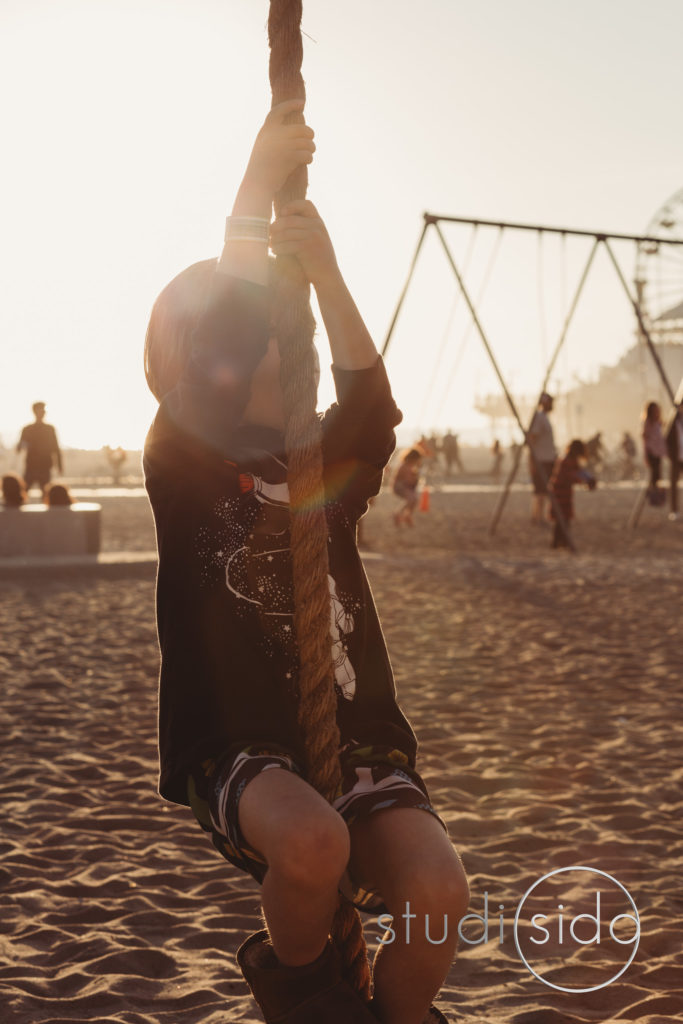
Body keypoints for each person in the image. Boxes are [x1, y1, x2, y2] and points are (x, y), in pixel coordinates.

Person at [143, 100, 468, 1024]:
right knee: (313, 845)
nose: (273, 346)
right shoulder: (186, 469)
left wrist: (323, 275)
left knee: (438, 895)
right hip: (240, 744)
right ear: (192, 368)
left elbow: (372, 409)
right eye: (243, 342)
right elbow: (231, 336)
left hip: (356, 745)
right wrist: (250, 191)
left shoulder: (322, 474)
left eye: (282, 338)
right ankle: (304, 1001)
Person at [548, 440, 596, 549]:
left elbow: (579, 472)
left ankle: (560, 541)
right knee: (563, 517)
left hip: (560, 490)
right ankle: (559, 542)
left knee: (562, 518)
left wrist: (588, 479)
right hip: (560, 491)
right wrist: (586, 480)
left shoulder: (567, 459)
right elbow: (572, 475)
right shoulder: (568, 461)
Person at [16, 402, 63, 496]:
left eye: (43, 410)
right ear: (34, 412)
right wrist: (23, 444)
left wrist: (60, 465)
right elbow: (19, 448)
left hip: (45, 467)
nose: (43, 412)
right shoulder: (27, 429)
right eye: (40, 410)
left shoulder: (50, 429)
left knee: (46, 496)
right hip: (31, 467)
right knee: (22, 494)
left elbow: (56, 448)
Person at [527, 392, 557, 524]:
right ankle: (537, 516)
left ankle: (539, 515)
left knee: (543, 490)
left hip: (547, 458)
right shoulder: (539, 418)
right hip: (541, 459)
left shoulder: (544, 417)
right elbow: (532, 438)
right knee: (540, 489)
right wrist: (532, 459)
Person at [641, 401, 667, 505]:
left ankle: (654, 495)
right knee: (654, 475)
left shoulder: (657, 422)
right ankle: (652, 495)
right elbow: (645, 439)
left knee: (657, 475)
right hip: (652, 452)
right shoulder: (648, 423)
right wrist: (646, 455)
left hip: (658, 452)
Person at [392, 448, 422, 526]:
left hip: (404, 486)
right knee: (412, 499)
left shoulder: (410, 466)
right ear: (413, 459)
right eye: (418, 459)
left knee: (414, 499)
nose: (418, 461)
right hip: (399, 487)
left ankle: (405, 515)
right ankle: (400, 515)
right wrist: (416, 477)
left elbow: (411, 481)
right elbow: (410, 481)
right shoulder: (405, 466)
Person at [666, 404, 683, 520]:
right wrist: (671, 456)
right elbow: (667, 439)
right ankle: (674, 510)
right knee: (673, 485)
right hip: (676, 458)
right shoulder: (673, 422)